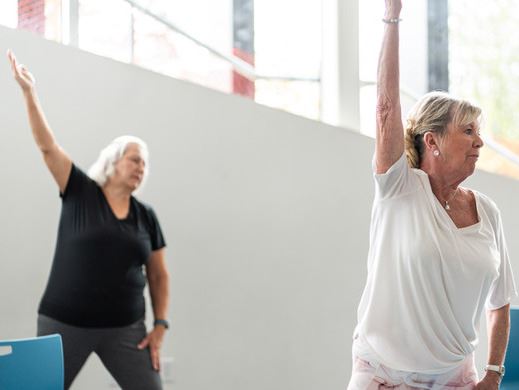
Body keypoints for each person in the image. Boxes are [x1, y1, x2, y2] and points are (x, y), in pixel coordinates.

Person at [348, 1, 517, 389]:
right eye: (468, 132)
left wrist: (493, 373)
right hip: (382, 375)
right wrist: (392, 18)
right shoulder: (399, 188)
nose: (480, 142)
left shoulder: (486, 211)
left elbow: (500, 302)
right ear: (433, 141)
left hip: (455, 377)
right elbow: (386, 108)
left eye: (479, 132)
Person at [7, 50, 170, 390]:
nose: (141, 167)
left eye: (145, 164)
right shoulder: (80, 191)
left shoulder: (146, 216)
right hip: (64, 323)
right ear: (114, 160)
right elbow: (47, 147)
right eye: (135, 159)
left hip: (126, 330)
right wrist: (28, 92)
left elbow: (158, 273)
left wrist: (161, 324)